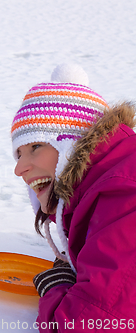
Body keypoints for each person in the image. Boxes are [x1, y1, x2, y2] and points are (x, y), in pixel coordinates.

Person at [12, 64, 136, 332]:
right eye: (18, 153)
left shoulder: (125, 195)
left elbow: (87, 324)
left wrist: (57, 290)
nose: (19, 168)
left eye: (36, 146)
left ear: (74, 143)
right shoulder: (107, 187)